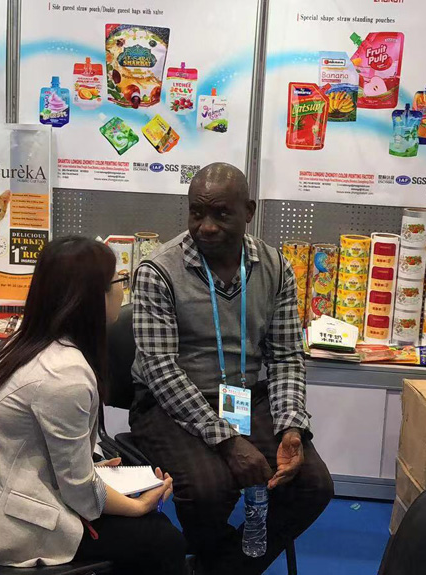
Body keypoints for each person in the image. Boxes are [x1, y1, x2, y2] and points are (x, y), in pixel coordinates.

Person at [130, 163, 334, 575]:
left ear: (249, 212)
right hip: (169, 403)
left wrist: (291, 427)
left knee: (313, 484)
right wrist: (228, 442)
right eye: (196, 213)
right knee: (208, 490)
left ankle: (218, 568)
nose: (205, 227)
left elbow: (286, 356)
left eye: (221, 213)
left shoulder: (274, 267)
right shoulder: (158, 271)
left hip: (242, 396)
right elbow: (161, 372)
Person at [0, 236, 186, 574]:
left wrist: (88, 468)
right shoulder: (65, 375)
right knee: (163, 540)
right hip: (13, 524)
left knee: (150, 535)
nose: (122, 290)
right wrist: (139, 506)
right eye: (118, 280)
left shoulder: (24, 344)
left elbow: (38, 451)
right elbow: (80, 494)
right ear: (92, 298)